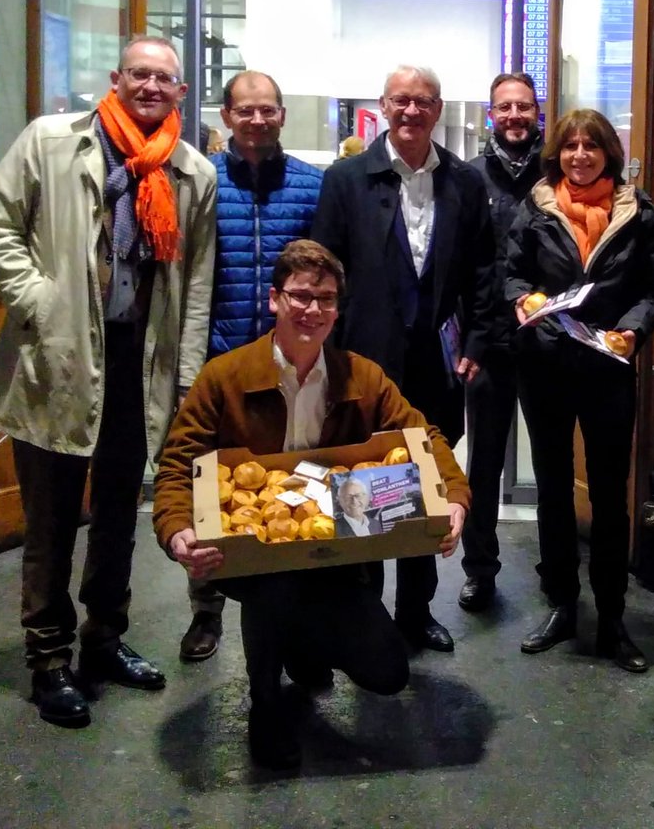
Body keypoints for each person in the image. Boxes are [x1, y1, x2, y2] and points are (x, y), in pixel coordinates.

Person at [0, 35, 217, 729]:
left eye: (163, 78)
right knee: (50, 521)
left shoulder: (192, 172)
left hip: (140, 365)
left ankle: (104, 639)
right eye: (139, 74)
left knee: (117, 514)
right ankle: (49, 659)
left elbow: (196, 284)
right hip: (57, 360)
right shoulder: (51, 141)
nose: (150, 86)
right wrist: (42, 303)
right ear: (116, 78)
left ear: (180, 91)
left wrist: (187, 376)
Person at [153, 240, 470, 770]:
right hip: (253, 553)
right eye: (300, 296)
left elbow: (426, 437)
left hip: (334, 549)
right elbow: (177, 463)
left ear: (338, 309)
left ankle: (302, 647)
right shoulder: (224, 377)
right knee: (273, 585)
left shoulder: (361, 377)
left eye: (325, 299)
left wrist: (454, 499)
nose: (312, 310)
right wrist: (177, 529)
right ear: (274, 299)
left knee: (387, 673)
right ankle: (265, 701)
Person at [312, 64, 497, 653]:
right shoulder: (345, 180)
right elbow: (324, 271)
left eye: (423, 101)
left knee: (427, 482)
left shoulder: (465, 183)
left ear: (437, 109)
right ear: (384, 106)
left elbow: (483, 273)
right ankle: (364, 614)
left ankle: (416, 611)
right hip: (362, 365)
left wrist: (478, 341)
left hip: (438, 364)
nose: (411, 111)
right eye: (401, 101)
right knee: (362, 484)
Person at [505, 108, 654, 673]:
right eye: (571, 146)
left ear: (607, 154)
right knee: (553, 490)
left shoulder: (637, 210)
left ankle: (613, 616)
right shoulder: (536, 205)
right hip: (545, 365)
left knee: (608, 496)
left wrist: (633, 331)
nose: (580, 156)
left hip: (608, 368)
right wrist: (524, 301)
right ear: (558, 153)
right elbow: (511, 273)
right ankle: (562, 606)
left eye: (590, 146)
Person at [179, 69, 324, 663]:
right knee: (211, 488)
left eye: (268, 110)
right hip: (221, 361)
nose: (258, 120)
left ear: (282, 114)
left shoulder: (313, 186)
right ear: (227, 116)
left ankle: (297, 615)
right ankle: (206, 609)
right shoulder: (204, 182)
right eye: (246, 110)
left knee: (295, 484)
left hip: (294, 365)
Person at [458, 72, 545, 613]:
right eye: (505, 107)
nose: (515, 115)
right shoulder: (469, 177)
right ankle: (479, 571)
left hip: (546, 340)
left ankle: (556, 570)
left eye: (524, 106)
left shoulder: (558, 173)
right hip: (487, 342)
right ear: (492, 114)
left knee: (553, 464)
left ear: (537, 112)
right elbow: (462, 263)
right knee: (484, 463)